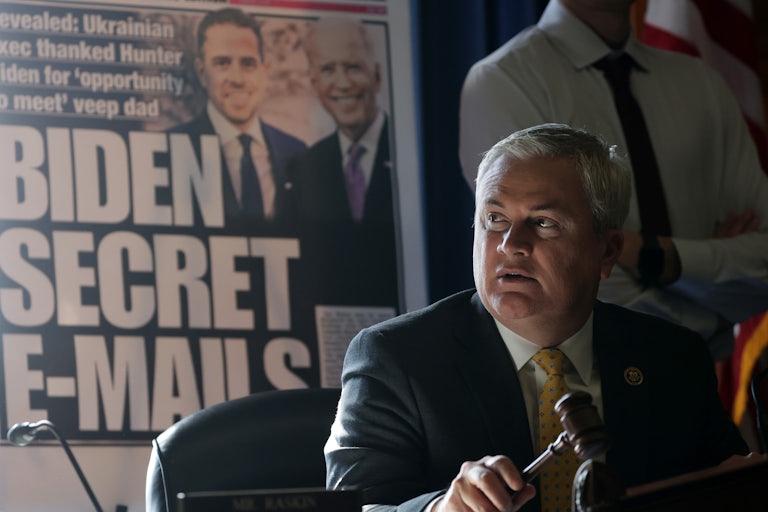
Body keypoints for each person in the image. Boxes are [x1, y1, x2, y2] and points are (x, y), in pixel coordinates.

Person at [325, 124, 749, 512]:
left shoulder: (672, 357)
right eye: (495, 219)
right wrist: (441, 509)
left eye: (543, 223)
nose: (511, 245)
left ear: (607, 252)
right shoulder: (396, 359)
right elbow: (359, 506)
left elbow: (732, 484)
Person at [459, 0, 768, 357]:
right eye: (613, 248)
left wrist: (657, 256)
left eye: (617, 248)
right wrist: (712, 288)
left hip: (701, 384)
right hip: (579, 381)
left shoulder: (702, 84)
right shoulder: (504, 80)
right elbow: (560, 289)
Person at [287, 17, 399, 308]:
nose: (343, 83)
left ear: (376, 75)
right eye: (328, 69)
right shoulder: (306, 167)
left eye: (353, 67)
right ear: (314, 83)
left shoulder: (412, 158)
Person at [172, 7, 306, 226]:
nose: (237, 79)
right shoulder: (170, 149)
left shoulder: (297, 152)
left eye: (248, 63)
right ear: (201, 72)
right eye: (222, 63)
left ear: (265, 71)